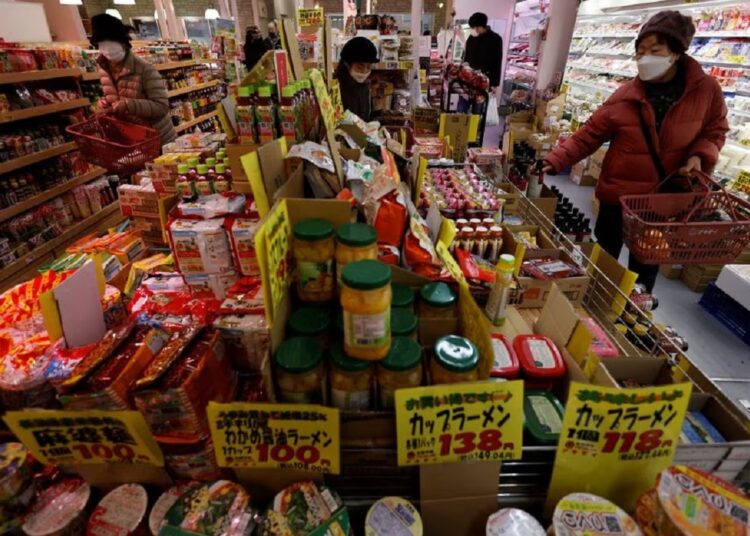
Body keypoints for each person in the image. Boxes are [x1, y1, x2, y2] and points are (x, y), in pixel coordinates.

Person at [543, 11, 728, 292]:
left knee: (644, 272)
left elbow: (715, 130)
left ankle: (631, 322)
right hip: (619, 196)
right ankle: (595, 308)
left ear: (676, 52)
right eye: (640, 51)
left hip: (663, 200)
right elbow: (588, 134)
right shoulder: (626, 95)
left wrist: (699, 157)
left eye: (655, 50)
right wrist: (554, 160)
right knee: (604, 263)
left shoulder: (706, 91)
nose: (645, 58)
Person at [91, 13, 176, 144]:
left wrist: (129, 105)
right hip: (132, 139)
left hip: (158, 139)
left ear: (124, 43)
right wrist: (107, 103)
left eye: (111, 43)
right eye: (102, 44)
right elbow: (116, 96)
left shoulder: (144, 68)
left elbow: (162, 106)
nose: (107, 49)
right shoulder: (103, 69)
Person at [335, 37, 379, 121]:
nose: (364, 71)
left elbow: (365, 118)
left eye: (368, 67)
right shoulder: (336, 87)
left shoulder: (365, 86)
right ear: (347, 64)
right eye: (360, 66)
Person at [463, 12, 503, 95]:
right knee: (463, 103)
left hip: (485, 80)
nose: (474, 29)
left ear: (483, 26)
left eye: (476, 27)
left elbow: (497, 61)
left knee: (479, 105)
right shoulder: (471, 38)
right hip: (469, 78)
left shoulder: (495, 39)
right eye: (473, 27)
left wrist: (495, 84)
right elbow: (466, 55)